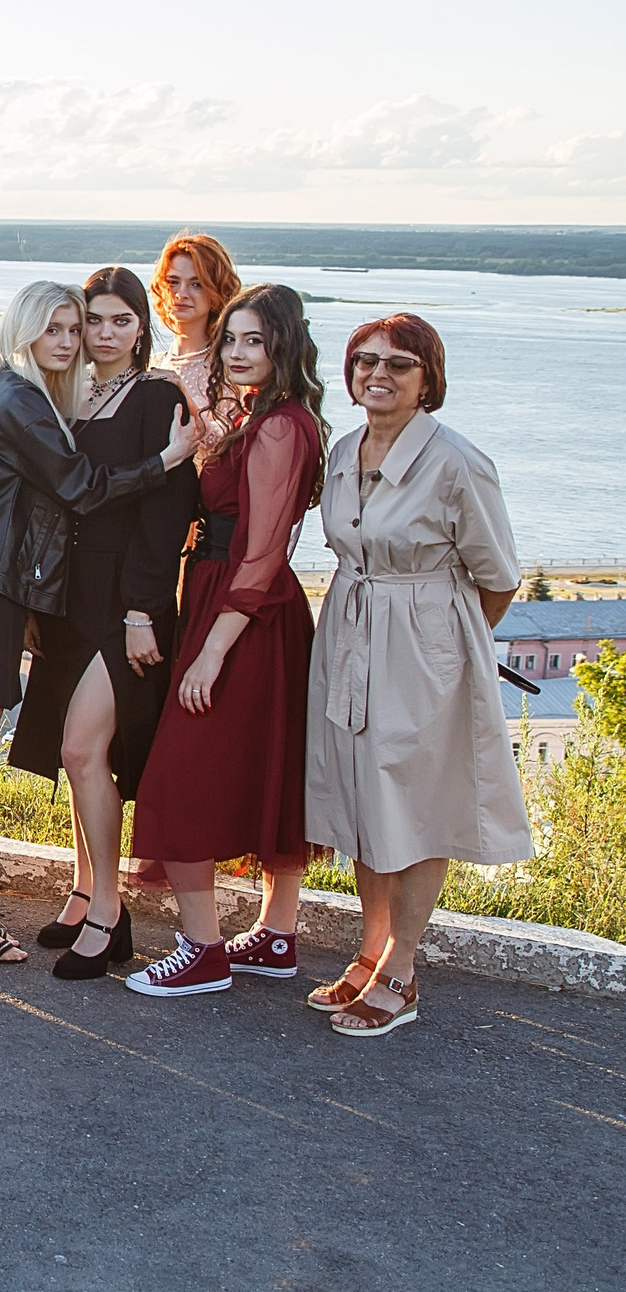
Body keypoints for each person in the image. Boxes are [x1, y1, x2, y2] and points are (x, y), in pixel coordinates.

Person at [0, 281, 195, 966]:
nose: (72, 342)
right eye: (58, 330)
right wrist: (167, 459)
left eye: (76, 330)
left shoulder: (16, 394)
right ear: (23, 331)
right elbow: (81, 487)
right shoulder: (20, 400)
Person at [304, 315, 522, 1035]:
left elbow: (497, 578)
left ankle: (403, 967)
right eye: (365, 361)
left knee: (418, 806)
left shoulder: (458, 461)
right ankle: (369, 953)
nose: (378, 374)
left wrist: (441, 649)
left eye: (399, 364)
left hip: (425, 645)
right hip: (350, 631)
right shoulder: (343, 451)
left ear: (428, 377)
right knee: (366, 800)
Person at [127, 284, 328, 999]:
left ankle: (203, 950)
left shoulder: (279, 428)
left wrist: (212, 649)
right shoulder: (262, 417)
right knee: (262, 771)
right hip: (235, 605)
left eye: (255, 342)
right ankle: (276, 936)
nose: (240, 354)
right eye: (233, 340)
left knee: (179, 778)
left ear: (285, 347)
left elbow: (264, 549)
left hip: (244, 615)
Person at [7, 268, 198, 979]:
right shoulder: (68, 395)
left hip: (124, 605)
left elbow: (166, 516)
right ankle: (84, 887)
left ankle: (110, 915)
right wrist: (35, 601)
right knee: (73, 754)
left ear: (141, 328)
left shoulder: (157, 398)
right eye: (94, 320)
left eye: (121, 320)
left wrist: (144, 611)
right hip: (67, 602)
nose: (106, 333)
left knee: (88, 753)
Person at [150, 231, 244, 447]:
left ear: (217, 291)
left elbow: (225, 447)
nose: (181, 294)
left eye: (196, 284)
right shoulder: (152, 364)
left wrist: (182, 394)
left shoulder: (230, 369)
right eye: (173, 282)